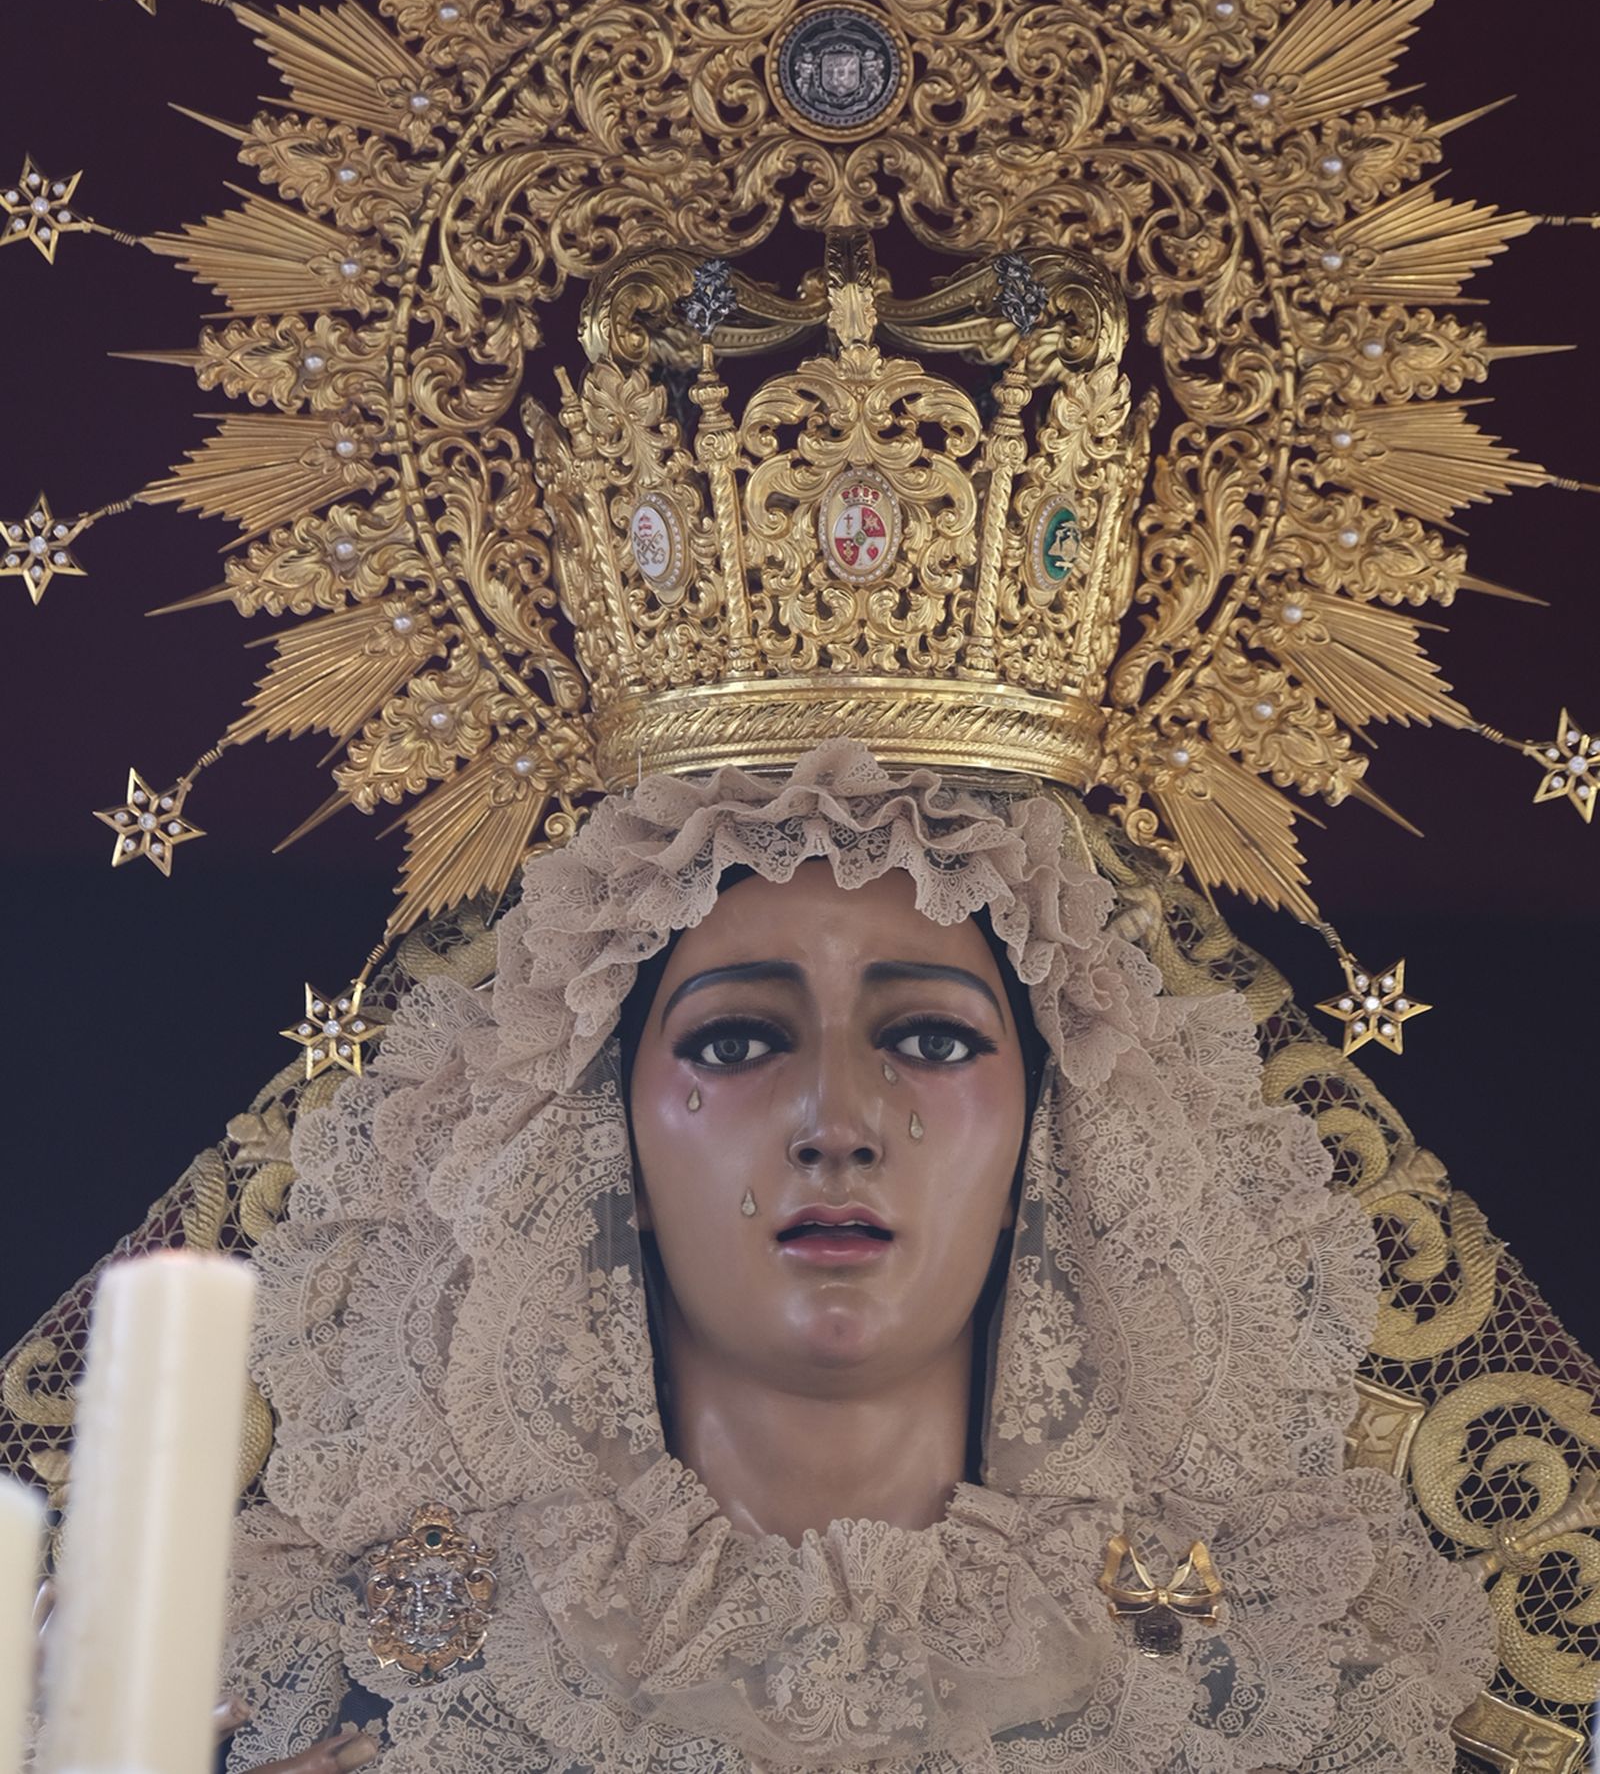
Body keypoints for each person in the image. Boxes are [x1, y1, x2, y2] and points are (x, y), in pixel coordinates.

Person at [222, 743, 1491, 1774]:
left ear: (1052, 1150)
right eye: (734, 1042)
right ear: (603, 1141)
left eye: (931, 1037)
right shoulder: (366, 1694)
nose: (837, 1121)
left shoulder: (1267, 1697)